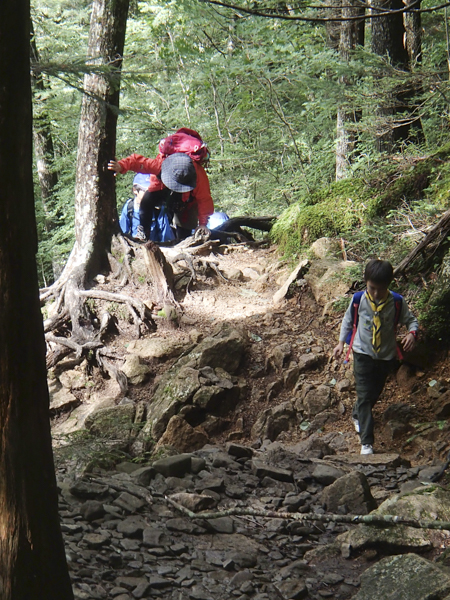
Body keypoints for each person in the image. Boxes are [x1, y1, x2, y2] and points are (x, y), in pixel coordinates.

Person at [333, 259, 418, 455]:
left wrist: (412, 333)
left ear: (389, 285)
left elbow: (411, 321)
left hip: (386, 356)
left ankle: (358, 414)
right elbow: (347, 321)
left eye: (381, 289)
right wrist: (340, 343)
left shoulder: (397, 302)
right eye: (372, 288)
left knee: (374, 392)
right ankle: (367, 443)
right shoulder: (358, 300)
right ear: (366, 282)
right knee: (364, 394)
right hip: (362, 353)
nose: (377, 293)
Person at [108, 151, 214, 240]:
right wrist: (121, 165)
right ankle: (143, 232)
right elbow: (137, 161)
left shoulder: (198, 176)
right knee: (147, 201)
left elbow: (204, 200)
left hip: (187, 199)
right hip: (162, 187)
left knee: (184, 226)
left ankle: (183, 242)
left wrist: (203, 223)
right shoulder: (161, 164)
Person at [119, 173, 175, 243]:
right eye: (146, 191)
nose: (150, 195)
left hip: (154, 247)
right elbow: (122, 232)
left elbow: (165, 237)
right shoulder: (129, 207)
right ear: (135, 190)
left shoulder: (158, 209)